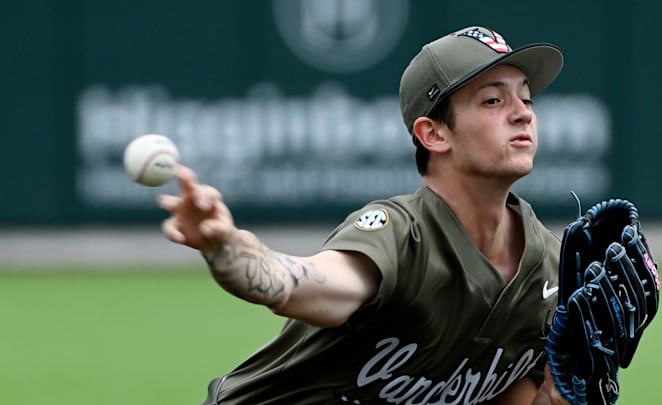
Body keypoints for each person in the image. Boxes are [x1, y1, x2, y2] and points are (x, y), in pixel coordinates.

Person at [158, 25, 569, 405]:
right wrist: (225, 245)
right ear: (433, 133)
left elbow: (511, 394)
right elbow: (297, 285)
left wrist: (560, 395)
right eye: (493, 100)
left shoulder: (548, 267)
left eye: (526, 97)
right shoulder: (401, 235)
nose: (523, 113)